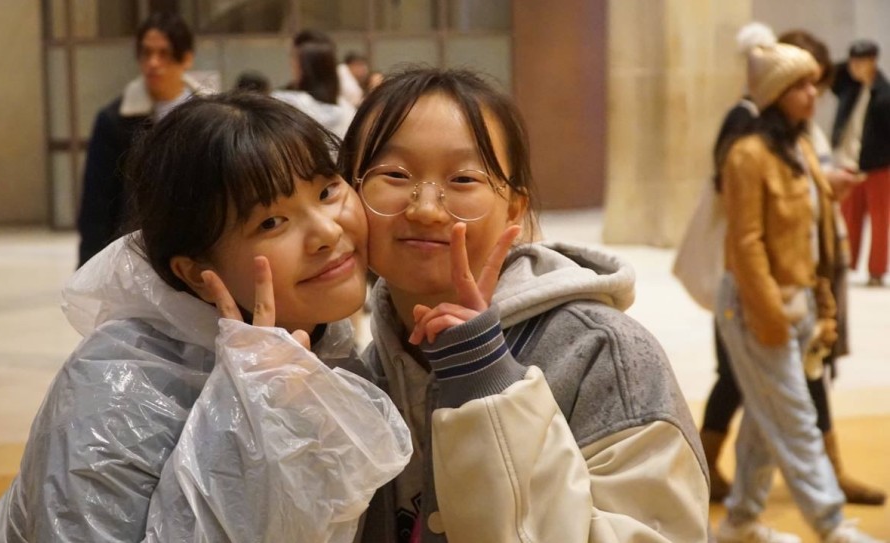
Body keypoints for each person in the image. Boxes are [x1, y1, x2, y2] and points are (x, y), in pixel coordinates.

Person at [0, 91, 411, 541]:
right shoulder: (115, 390)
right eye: (271, 222)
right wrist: (250, 415)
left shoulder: (320, 338)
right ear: (197, 273)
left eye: (327, 191)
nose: (327, 231)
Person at [338, 68, 709, 542]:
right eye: (394, 175)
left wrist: (484, 380)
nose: (425, 209)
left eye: (463, 178)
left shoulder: (603, 355)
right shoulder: (369, 372)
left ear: (514, 209)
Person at [699, 28, 885, 506]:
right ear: (777, 85)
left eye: (816, 82)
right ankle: (828, 513)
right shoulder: (749, 139)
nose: (815, 93)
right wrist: (770, 311)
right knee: (779, 399)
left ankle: (744, 513)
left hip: (799, 281)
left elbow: (800, 206)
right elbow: (746, 230)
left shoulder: (794, 140)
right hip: (762, 291)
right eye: (803, 83)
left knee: (784, 396)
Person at [76, 12, 207, 268]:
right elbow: (96, 205)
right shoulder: (114, 120)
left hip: (197, 251)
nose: (153, 63)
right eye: (146, 53)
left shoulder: (208, 117)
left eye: (164, 53)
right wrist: (90, 267)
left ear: (186, 58)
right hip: (133, 255)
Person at [831, 40, 890, 287]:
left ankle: (876, 270)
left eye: (860, 62)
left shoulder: (884, 95)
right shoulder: (850, 88)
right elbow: (833, 74)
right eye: (852, 62)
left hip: (877, 165)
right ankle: (847, 263)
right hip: (850, 161)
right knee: (849, 216)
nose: (854, 67)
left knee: (879, 219)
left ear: (873, 61)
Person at [273, 29, 356, 138]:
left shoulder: (285, 105)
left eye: (293, 58)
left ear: (303, 67)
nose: (291, 63)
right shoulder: (348, 111)